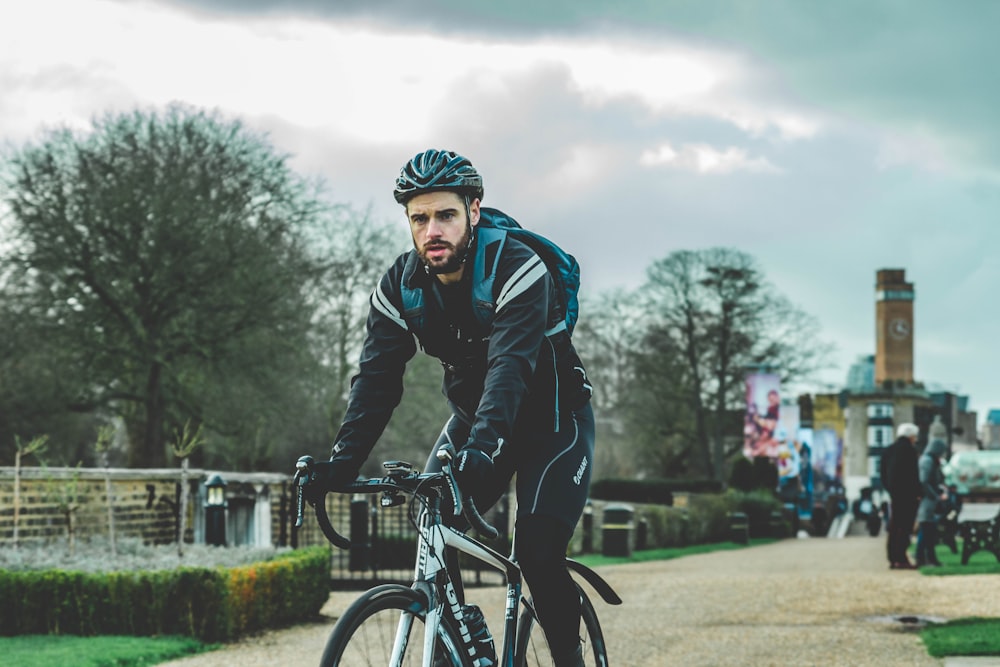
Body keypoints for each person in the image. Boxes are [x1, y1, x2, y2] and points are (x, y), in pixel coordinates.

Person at [303, 149, 595, 667]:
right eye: (419, 218)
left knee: (536, 550)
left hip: (553, 423)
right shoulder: (399, 287)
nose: (432, 229)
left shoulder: (518, 268)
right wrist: (342, 463)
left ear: (474, 211)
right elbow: (376, 382)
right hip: (473, 421)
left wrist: (482, 451)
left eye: (445, 215)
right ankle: (461, 639)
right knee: (434, 518)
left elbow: (509, 371)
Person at [880, 422, 921, 569]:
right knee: (905, 528)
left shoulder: (888, 450)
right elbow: (913, 475)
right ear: (910, 436)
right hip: (908, 496)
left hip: (895, 494)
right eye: (914, 436)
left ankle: (893, 558)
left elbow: (883, 474)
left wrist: (891, 489)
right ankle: (901, 558)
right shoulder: (910, 451)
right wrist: (918, 493)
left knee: (894, 526)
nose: (915, 439)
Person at [915, 422, 949, 567]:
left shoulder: (929, 460)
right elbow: (924, 481)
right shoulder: (927, 461)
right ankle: (923, 558)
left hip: (929, 501)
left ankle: (926, 558)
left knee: (928, 532)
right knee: (926, 531)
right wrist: (936, 495)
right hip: (927, 502)